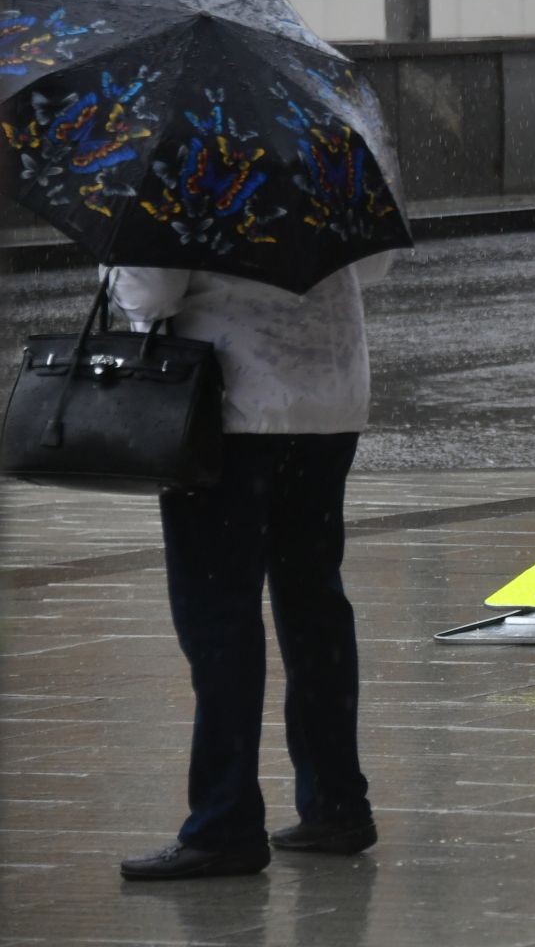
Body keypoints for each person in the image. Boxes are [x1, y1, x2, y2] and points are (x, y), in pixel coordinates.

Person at [109, 252, 393, 880]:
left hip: (226, 402)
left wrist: (114, 270)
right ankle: (336, 802)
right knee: (313, 599)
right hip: (331, 394)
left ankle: (225, 821)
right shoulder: (339, 147)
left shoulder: (183, 153)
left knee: (218, 613)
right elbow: (371, 264)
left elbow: (151, 292)